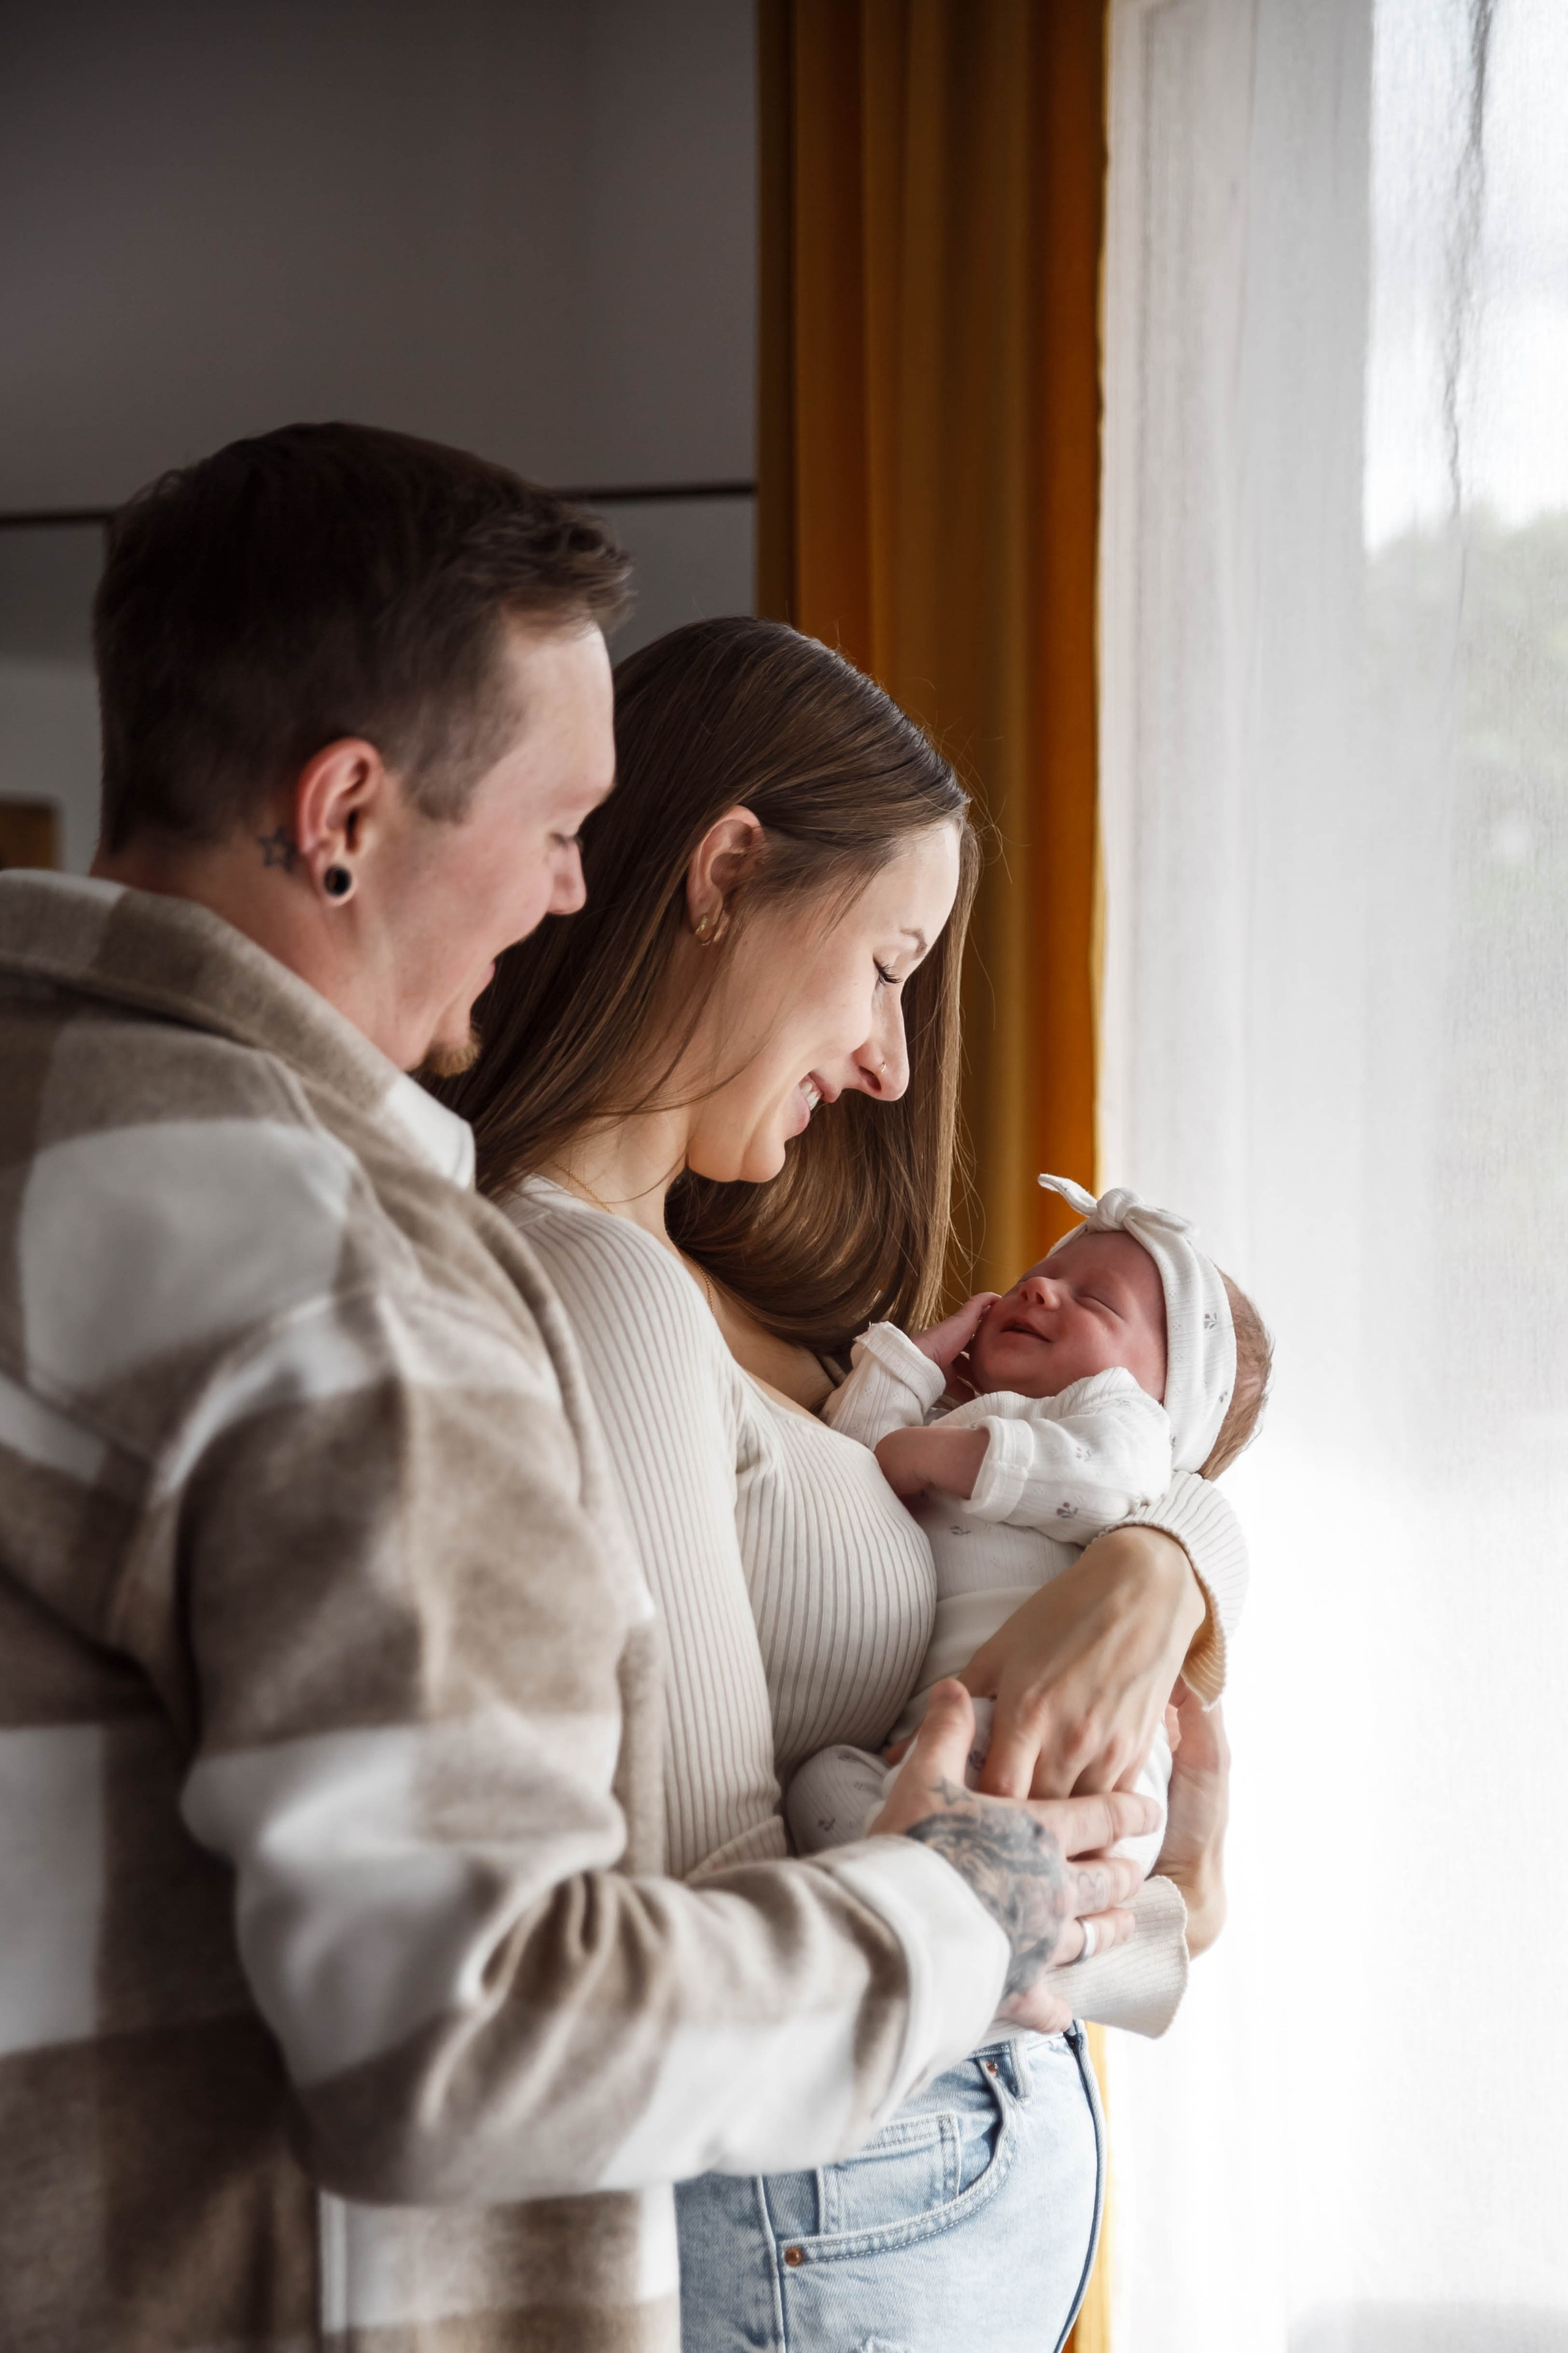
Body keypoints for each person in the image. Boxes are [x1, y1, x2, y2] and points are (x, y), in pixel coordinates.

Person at [0, 427, 1152, 2353]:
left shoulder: (79, 1136)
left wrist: (1159, 1551)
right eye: (553, 826)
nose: (565, 891)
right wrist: (963, 1916)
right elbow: (474, 2030)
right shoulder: (336, 1267)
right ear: (344, 811)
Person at [442, 617, 1250, 2352]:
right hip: (825, 2179)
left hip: (922, 2153)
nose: (892, 1058)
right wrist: (1142, 1905)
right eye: (887, 962)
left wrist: (1164, 1564)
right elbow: (713, 1904)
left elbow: (1110, 1473)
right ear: (729, 871)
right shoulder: (596, 1286)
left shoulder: (733, 1285)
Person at [790, 1174, 1273, 1876]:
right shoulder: (964, 1423)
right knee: (820, 1779)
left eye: (1097, 1301)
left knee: (950, 1853)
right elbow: (856, 1465)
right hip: (933, 1750)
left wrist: (936, 1452)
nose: (1039, 1291)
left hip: (1060, 1738)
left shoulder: (1119, 1424)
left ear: (1168, 1405)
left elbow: (1104, 1475)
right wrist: (915, 1366)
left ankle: (958, 1916)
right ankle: (933, 1924)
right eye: (1037, 1277)